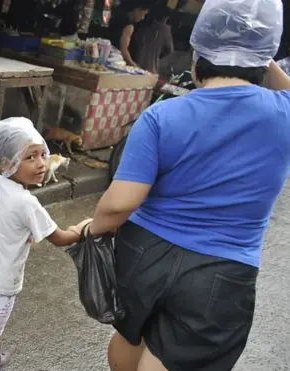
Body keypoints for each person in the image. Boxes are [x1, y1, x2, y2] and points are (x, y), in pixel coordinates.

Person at [71, 0, 290, 370]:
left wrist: (88, 229)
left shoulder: (161, 115)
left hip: (143, 256)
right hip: (220, 272)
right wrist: (259, 54)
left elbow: (118, 205)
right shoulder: (283, 113)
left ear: (197, 55)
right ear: (265, 57)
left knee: (129, 339)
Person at [0, 117, 91, 371]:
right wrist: (83, 228)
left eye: (43, 154)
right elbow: (61, 238)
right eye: (30, 157)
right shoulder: (27, 203)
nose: (41, 164)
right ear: (11, 161)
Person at [133, 6, 174, 74]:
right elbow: (170, 50)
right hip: (151, 68)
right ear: (165, 18)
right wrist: (158, 55)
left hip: (135, 64)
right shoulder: (164, 30)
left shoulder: (143, 26)